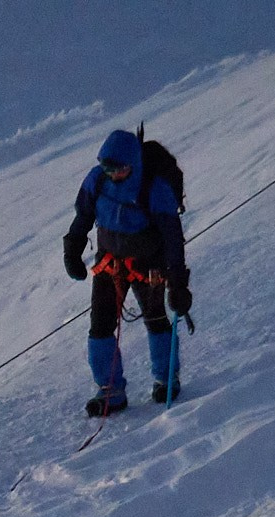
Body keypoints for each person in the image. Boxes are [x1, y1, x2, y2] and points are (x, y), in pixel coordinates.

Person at [61, 128, 192, 415]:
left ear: (133, 162)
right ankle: (111, 391)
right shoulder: (97, 180)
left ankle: (166, 380)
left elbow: (172, 236)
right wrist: (72, 247)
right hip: (110, 262)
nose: (113, 174)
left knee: (156, 319)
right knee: (100, 325)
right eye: (107, 167)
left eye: (119, 168)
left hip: (150, 265)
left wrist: (178, 282)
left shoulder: (154, 188)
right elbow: (83, 216)